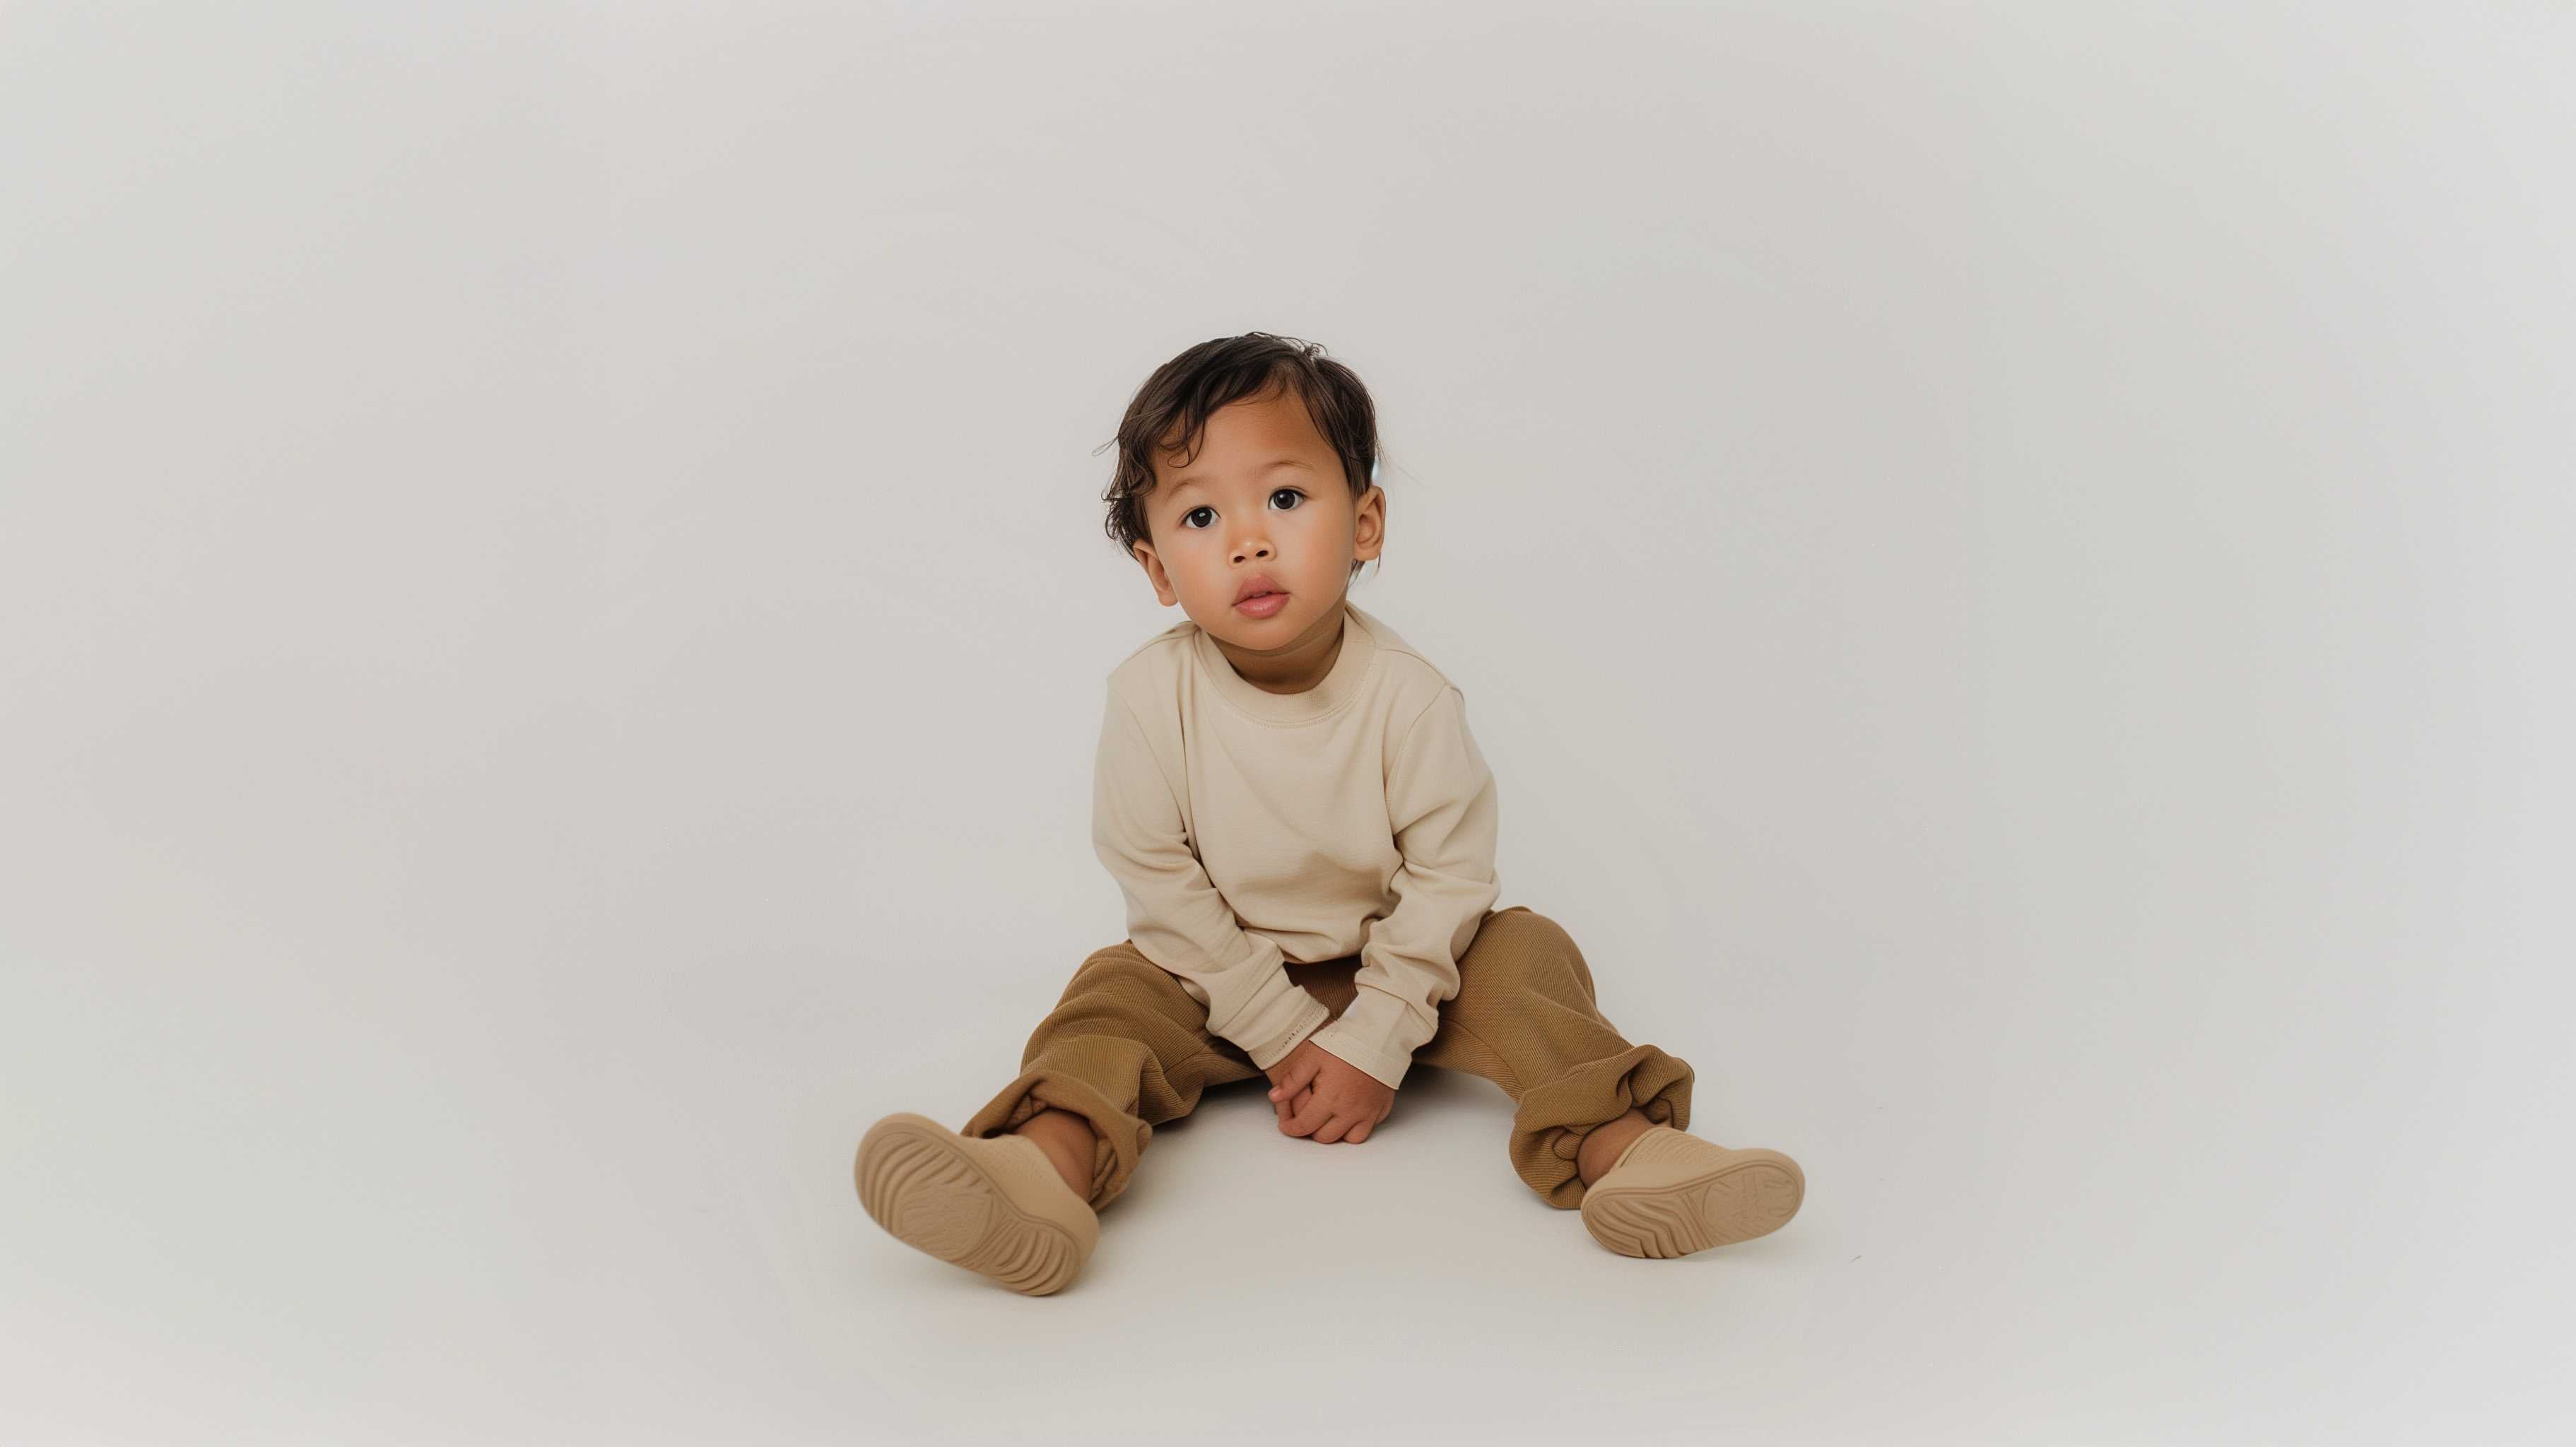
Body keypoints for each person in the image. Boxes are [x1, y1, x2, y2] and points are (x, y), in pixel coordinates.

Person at [854, 332, 1804, 1294]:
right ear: (1158, 572)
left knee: (1526, 953)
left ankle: (1628, 1151)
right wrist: (1280, 1031)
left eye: (1284, 498)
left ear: (1365, 523)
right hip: (1213, 979)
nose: (1248, 541)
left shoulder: (1409, 698)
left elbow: (1448, 878)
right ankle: (1040, 1169)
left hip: (1409, 973)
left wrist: (1377, 1038)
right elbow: (1158, 881)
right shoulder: (1148, 699)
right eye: (1199, 516)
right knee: (1110, 995)